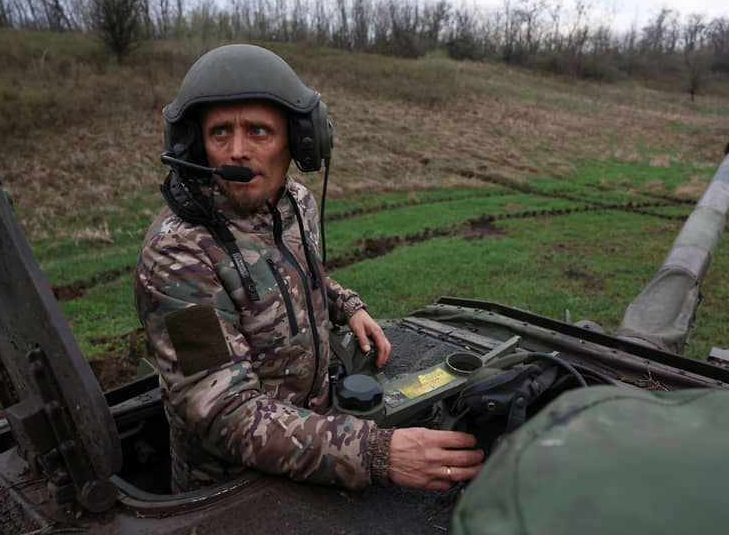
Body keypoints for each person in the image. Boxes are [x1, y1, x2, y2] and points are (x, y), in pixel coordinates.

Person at [134, 44, 484, 493]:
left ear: (299, 141)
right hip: (233, 491)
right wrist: (374, 451)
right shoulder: (176, 256)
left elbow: (299, 273)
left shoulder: (295, 204)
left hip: (314, 443)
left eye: (258, 131)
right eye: (220, 132)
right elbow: (222, 410)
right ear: (193, 143)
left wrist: (348, 306)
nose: (237, 150)